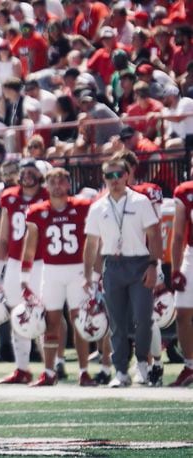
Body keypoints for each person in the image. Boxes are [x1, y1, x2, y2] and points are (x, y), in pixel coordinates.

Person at [82, 158, 162, 388]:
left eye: (119, 175)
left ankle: (143, 366)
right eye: (110, 176)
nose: (115, 180)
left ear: (127, 176)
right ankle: (120, 371)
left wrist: (154, 265)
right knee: (116, 323)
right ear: (104, 178)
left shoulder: (140, 201)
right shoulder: (98, 206)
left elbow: (154, 234)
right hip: (113, 266)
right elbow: (92, 244)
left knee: (143, 319)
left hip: (138, 263)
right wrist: (90, 276)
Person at [20, 167, 97, 386]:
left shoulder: (82, 207)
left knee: (79, 320)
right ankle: (49, 372)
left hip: (77, 270)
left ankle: (83, 371)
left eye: (61, 181)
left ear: (68, 184)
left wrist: (93, 272)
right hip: (51, 270)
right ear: (46, 185)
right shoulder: (38, 211)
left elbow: (93, 241)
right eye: (52, 181)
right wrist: (24, 277)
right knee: (50, 321)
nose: (56, 185)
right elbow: (30, 245)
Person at [0, 159, 51, 384]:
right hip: (15, 262)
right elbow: (4, 236)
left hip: (41, 262)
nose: (27, 175)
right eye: (24, 171)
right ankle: (22, 368)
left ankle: (50, 367)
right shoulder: (9, 196)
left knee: (41, 312)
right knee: (18, 313)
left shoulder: (46, 195)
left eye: (32, 171)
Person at [170, 180, 193, 387]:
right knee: (182, 311)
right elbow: (177, 235)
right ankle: (190, 365)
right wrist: (176, 269)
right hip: (192, 254)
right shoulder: (186, 192)